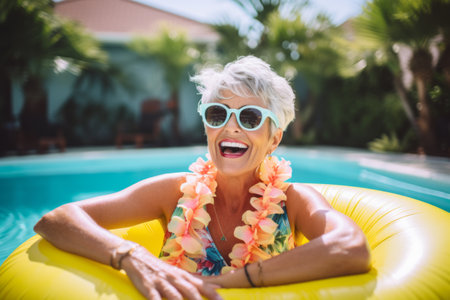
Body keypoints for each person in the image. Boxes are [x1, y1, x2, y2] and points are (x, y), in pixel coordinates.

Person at [34, 56, 371, 300]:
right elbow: (57, 219)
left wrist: (232, 283)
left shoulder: (293, 201)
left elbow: (351, 247)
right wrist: (131, 256)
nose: (231, 127)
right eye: (217, 113)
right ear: (207, 126)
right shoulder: (173, 192)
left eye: (250, 117)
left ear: (274, 138)